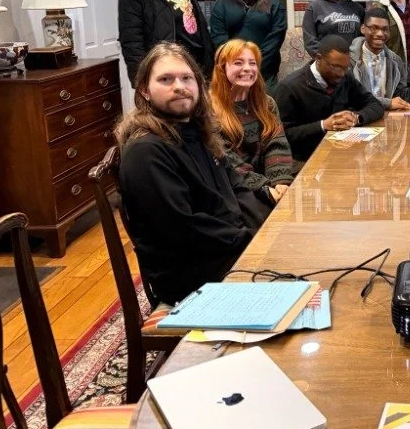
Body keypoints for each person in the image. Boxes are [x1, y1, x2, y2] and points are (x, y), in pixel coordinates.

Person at [114, 43, 275, 306]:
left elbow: (236, 186)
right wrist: (250, 241)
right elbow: (182, 227)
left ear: (198, 86)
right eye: (166, 79)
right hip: (192, 272)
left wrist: (257, 232)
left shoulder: (198, 133)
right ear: (144, 89)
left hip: (225, 247)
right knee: (301, 272)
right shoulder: (146, 151)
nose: (179, 86)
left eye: (186, 78)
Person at [273, 34, 385, 161]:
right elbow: (283, 135)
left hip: (340, 154)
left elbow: (375, 105)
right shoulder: (290, 87)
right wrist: (323, 125)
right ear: (319, 58)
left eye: (345, 68)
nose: (341, 74)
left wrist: (356, 118)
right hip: (304, 159)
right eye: (336, 68)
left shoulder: (345, 78)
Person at [210, 39, 297, 192]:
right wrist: (264, 188)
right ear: (222, 68)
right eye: (238, 63)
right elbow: (228, 162)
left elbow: (277, 144)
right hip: (234, 188)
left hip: (270, 183)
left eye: (252, 63)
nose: (247, 68)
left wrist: (280, 183)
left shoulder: (266, 103)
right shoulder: (209, 109)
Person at [209, 0, 288, 91]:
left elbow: (274, 41)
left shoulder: (274, 5)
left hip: (265, 72)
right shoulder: (221, 5)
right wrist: (238, 66)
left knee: (266, 110)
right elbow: (218, 38)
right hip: (231, 72)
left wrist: (252, 66)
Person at [350, 7, 410, 110]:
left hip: (387, 120)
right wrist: (388, 103)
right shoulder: (349, 60)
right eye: (374, 28)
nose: (380, 34)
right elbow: (351, 98)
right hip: (359, 120)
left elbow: (401, 98)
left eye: (385, 29)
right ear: (363, 28)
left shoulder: (396, 61)